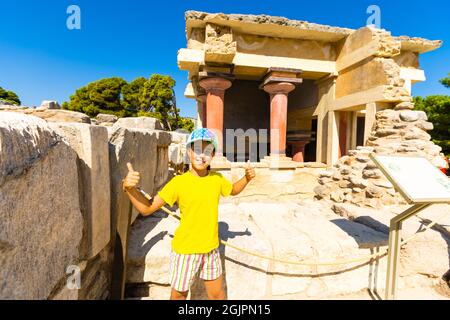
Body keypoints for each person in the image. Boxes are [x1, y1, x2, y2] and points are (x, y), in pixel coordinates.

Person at [122, 128, 256, 300]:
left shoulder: (217, 179)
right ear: (188, 152)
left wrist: (246, 178)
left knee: (218, 295)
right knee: (179, 295)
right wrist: (129, 189)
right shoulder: (178, 183)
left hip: (211, 250)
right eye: (197, 149)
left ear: (213, 155)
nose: (202, 156)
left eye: (208, 151)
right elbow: (147, 208)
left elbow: (233, 190)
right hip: (185, 251)